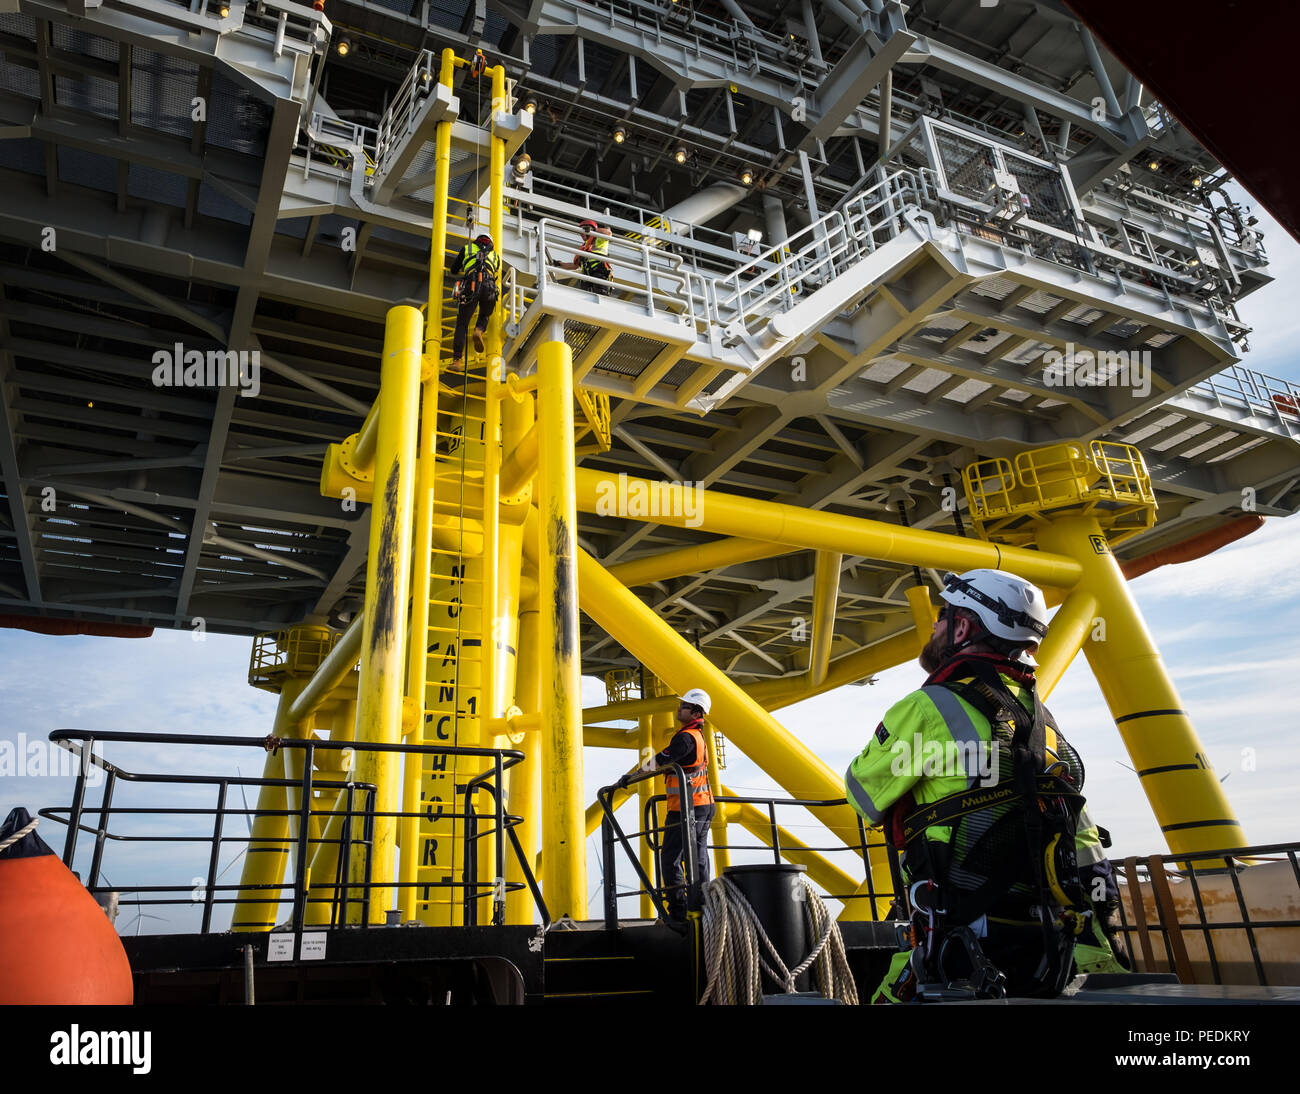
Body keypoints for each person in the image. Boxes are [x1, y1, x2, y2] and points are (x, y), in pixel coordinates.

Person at [844, 569, 1118, 1001]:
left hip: (957, 945)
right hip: (1050, 943)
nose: (935, 625)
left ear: (964, 626)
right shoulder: (1044, 724)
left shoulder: (928, 707)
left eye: (942, 615)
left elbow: (864, 796)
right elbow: (1082, 837)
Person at [638, 687, 715, 920]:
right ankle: (702, 904)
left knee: (670, 858)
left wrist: (630, 778)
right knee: (698, 855)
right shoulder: (697, 736)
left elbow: (660, 760)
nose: (678, 708)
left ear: (695, 712)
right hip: (700, 805)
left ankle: (679, 910)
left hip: (686, 807)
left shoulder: (685, 739)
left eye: (683, 706)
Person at [448, 232, 499, 371]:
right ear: (491, 243)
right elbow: (496, 270)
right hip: (489, 286)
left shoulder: (467, 248)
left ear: (477, 239)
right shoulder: (495, 256)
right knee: (485, 314)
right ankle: (479, 330)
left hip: (471, 284)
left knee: (462, 324)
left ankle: (457, 360)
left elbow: (453, 270)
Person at [558, 218, 612, 295]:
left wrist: (594, 231)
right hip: (586, 278)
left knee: (602, 295)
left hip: (599, 272)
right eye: (581, 231)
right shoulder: (583, 247)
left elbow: (608, 233)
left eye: (584, 230)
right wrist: (559, 264)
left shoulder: (599, 238)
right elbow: (574, 266)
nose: (581, 233)